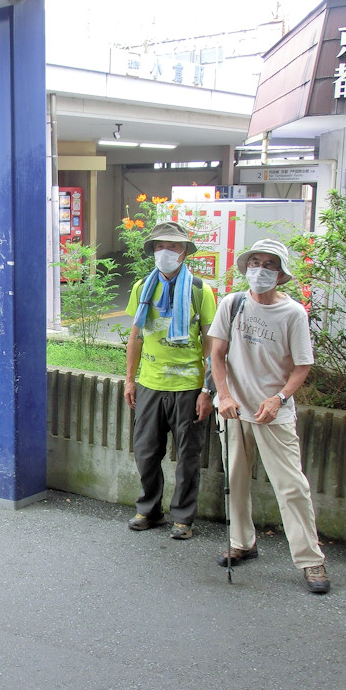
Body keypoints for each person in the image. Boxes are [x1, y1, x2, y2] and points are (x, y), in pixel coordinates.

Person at [207, 239, 330, 594]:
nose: (260, 270)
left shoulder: (293, 313)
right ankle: (242, 542)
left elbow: (302, 366)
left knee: (292, 486)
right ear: (246, 267)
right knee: (235, 481)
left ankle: (310, 559)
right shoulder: (232, 303)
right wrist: (223, 395)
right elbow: (217, 354)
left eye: (269, 264)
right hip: (233, 410)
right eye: (255, 262)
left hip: (273, 413)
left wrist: (279, 399)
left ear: (280, 274)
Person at [124, 220, 217, 540]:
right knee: (146, 452)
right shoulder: (142, 287)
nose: (165, 251)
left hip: (188, 386)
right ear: (153, 250)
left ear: (184, 252)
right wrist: (130, 380)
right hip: (150, 383)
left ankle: (183, 517)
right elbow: (135, 337)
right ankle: (149, 510)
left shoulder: (200, 290)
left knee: (188, 456)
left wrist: (207, 389)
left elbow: (212, 343)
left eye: (173, 246)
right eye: (160, 246)